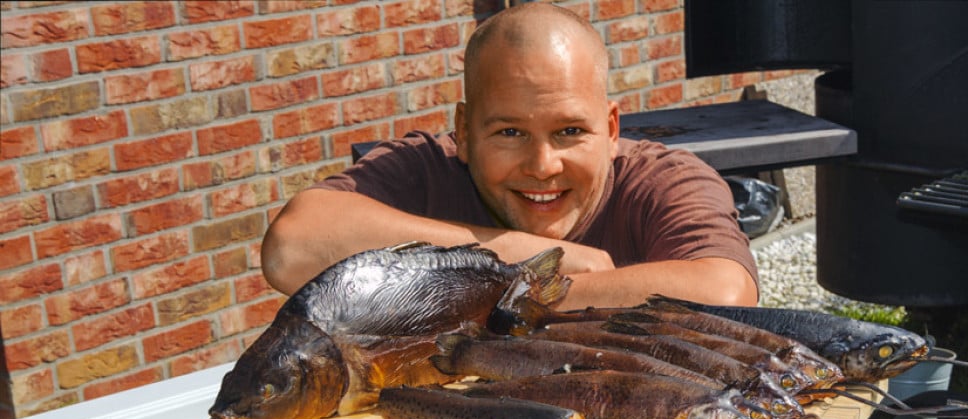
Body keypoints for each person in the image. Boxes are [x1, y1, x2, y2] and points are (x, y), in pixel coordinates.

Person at [260, 3, 759, 309]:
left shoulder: (665, 183)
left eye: (569, 131)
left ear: (610, 129)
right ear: (464, 131)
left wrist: (540, 294)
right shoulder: (426, 172)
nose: (542, 165)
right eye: (509, 132)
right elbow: (292, 248)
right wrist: (521, 259)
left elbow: (726, 293)